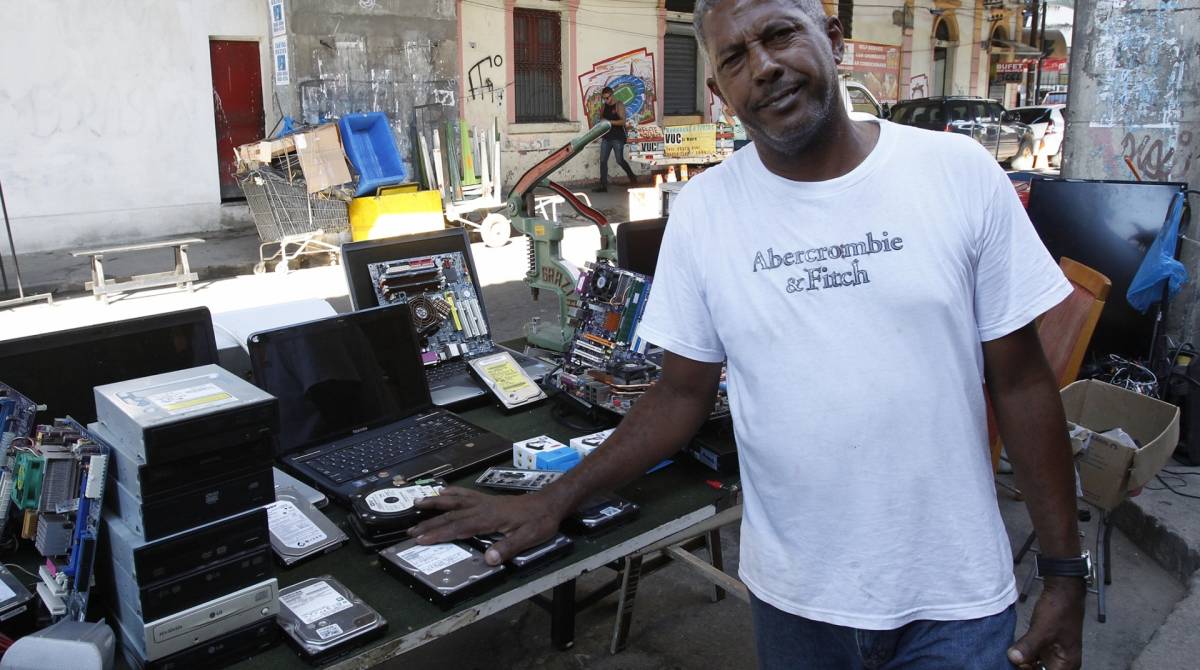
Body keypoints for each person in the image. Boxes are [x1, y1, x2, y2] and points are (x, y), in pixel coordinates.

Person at [412, 1, 1085, 668]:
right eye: (734, 57)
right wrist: (552, 499)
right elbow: (678, 396)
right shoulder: (704, 212)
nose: (763, 67)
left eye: (780, 34)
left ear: (833, 40)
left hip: (955, 600)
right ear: (719, 92)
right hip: (796, 604)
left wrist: (1064, 573)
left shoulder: (957, 172)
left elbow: (1023, 381)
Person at [595, 86, 638, 192]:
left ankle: (632, 177)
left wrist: (609, 122)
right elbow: (602, 119)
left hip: (617, 137)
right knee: (603, 160)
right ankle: (603, 186)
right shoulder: (605, 106)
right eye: (604, 98)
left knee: (620, 160)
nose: (605, 100)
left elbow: (623, 121)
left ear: (612, 95)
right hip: (606, 137)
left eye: (607, 98)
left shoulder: (619, 105)